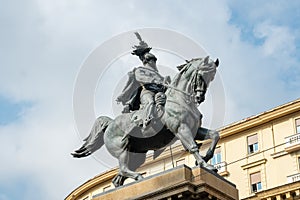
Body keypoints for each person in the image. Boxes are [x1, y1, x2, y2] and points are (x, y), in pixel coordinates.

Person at [116, 33, 170, 129]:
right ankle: (148, 120)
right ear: (147, 61)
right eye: (152, 61)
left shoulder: (159, 75)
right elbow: (142, 79)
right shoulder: (140, 70)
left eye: (154, 61)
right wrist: (155, 80)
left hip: (159, 93)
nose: (154, 63)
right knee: (150, 102)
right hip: (147, 92)